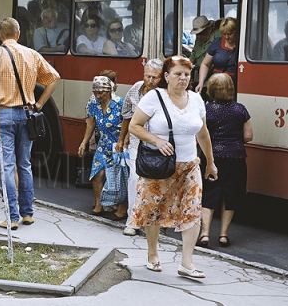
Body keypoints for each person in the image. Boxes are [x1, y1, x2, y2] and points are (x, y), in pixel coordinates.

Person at [0, 17, 60, 230]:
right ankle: (28, 213)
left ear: (0, 35)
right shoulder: (31, 54)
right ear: (18, 34)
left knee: (7, 166)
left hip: (2, 114)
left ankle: (12, 216)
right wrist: (39, 104)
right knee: (24, 165)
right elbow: (54, 77)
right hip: (27, 114)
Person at [129, 55, 217, 279]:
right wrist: (156, 140)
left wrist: (210, 163)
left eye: (187, 74)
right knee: (153, 209)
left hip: (189, 166)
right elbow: (134, 126)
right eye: (178, 74)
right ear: (166, 76)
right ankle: (152, 254)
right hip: (159, 165)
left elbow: (203, 134)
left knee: (192, 211)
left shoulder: (197, 100)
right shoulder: (154, 98)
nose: (183, 78)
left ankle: (186, 263)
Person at [197, 73, 253, 248]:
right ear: (231, 89)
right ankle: (223, 235)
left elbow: (200, 134)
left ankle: (205, 234)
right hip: (235, 158)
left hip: (211, 158)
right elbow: (249, 136)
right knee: (230, 195)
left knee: (209, 193)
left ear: (211, 90)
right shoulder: (240, 109)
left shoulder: (206, 109)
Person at [115, 58, 163, 236]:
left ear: (162, 77)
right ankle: (132, 221)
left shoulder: (164, 94)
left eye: (154, 77)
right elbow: (127, 114)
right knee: (135, 179)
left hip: (158, 144)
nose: (150, 81)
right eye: (147, 76)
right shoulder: (135, 88)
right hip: (136, 142)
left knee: (156, 183)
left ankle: (156, 222)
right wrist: (122, 138)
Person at [77, 75, 125, 220]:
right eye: (95, 92)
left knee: (120, 177)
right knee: (97, 174)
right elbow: (90, 124)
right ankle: (99, 205)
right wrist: (84, 142)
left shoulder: (120, 103)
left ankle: (122, 208)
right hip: (103, 144)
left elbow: (128, 124)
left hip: (118, 145)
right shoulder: (93, 102)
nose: (98, 95)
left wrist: (123, 141)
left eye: (101, 93)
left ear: (109, 91)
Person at [195, 17, 238, 93]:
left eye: (229, 34)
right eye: (224, 34)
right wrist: (201, 83)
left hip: (233, 85)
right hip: (216, 85)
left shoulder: (242, 45)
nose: (227, 37)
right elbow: (205, 64)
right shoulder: (217, 42)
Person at [188, 16, 220, 88]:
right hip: (199, 77)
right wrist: (189, 63)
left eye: (202, 33)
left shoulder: (218, 36)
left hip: (214, 78)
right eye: (197, 34)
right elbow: (194, 53)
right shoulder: (198, 39)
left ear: (209, 29)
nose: (199, 36)